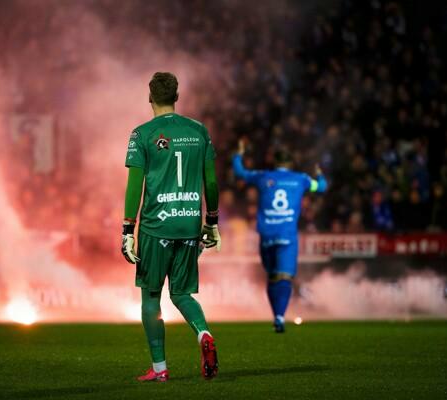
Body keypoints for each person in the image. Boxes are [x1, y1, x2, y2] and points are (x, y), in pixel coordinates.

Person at [122, 72, 221, 381]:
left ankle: (160, 370)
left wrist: (127, 230)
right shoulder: (199, 131)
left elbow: (134, 186)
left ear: (150, 97)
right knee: (181, 294)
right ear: (177, 97)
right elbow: (212, 181)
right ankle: (203, 334)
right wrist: (212, 222)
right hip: (190, 225)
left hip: (156, 226)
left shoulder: (142, 135)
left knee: (152, 297)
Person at [233, 140, 327, 332]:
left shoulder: (262, 176)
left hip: (267, 236)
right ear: (291, 163)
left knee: (272, 276)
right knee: (283, 277)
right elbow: (322, 187)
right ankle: (279, 316)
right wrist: (319, 173)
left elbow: (240, 172)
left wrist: (238, 154)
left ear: (274, 162)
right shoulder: (302, 179)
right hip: (287, 236)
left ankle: (276, 315)